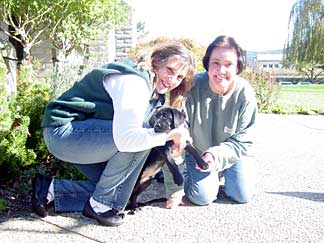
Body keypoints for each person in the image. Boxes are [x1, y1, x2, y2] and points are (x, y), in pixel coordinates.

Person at [31, 42, 195, 226]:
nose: (173, 80)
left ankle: (50, 189)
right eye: (170, 70)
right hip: (64, 133)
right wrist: (168, 136)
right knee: (138, 142)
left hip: (89, 137)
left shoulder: (156, 94)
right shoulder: (136, 81)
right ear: (156, 61)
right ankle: (100, 206)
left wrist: (175, 187)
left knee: (120, 188)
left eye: (179, 77)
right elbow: (128, 139)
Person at [163, 35, 258, 208]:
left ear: (238, 67)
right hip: (198, 152)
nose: (221, 70)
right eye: (215, 62)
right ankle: (208, 178)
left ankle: (226, 175)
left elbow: (245, 138)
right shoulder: (191, 87)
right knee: (202, 197)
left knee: (242, 195)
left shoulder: (245, 94)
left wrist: (216, 155)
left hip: (234, 152)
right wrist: (175, 190)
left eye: (228, 64)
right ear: (207, 64)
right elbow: (177, 137)